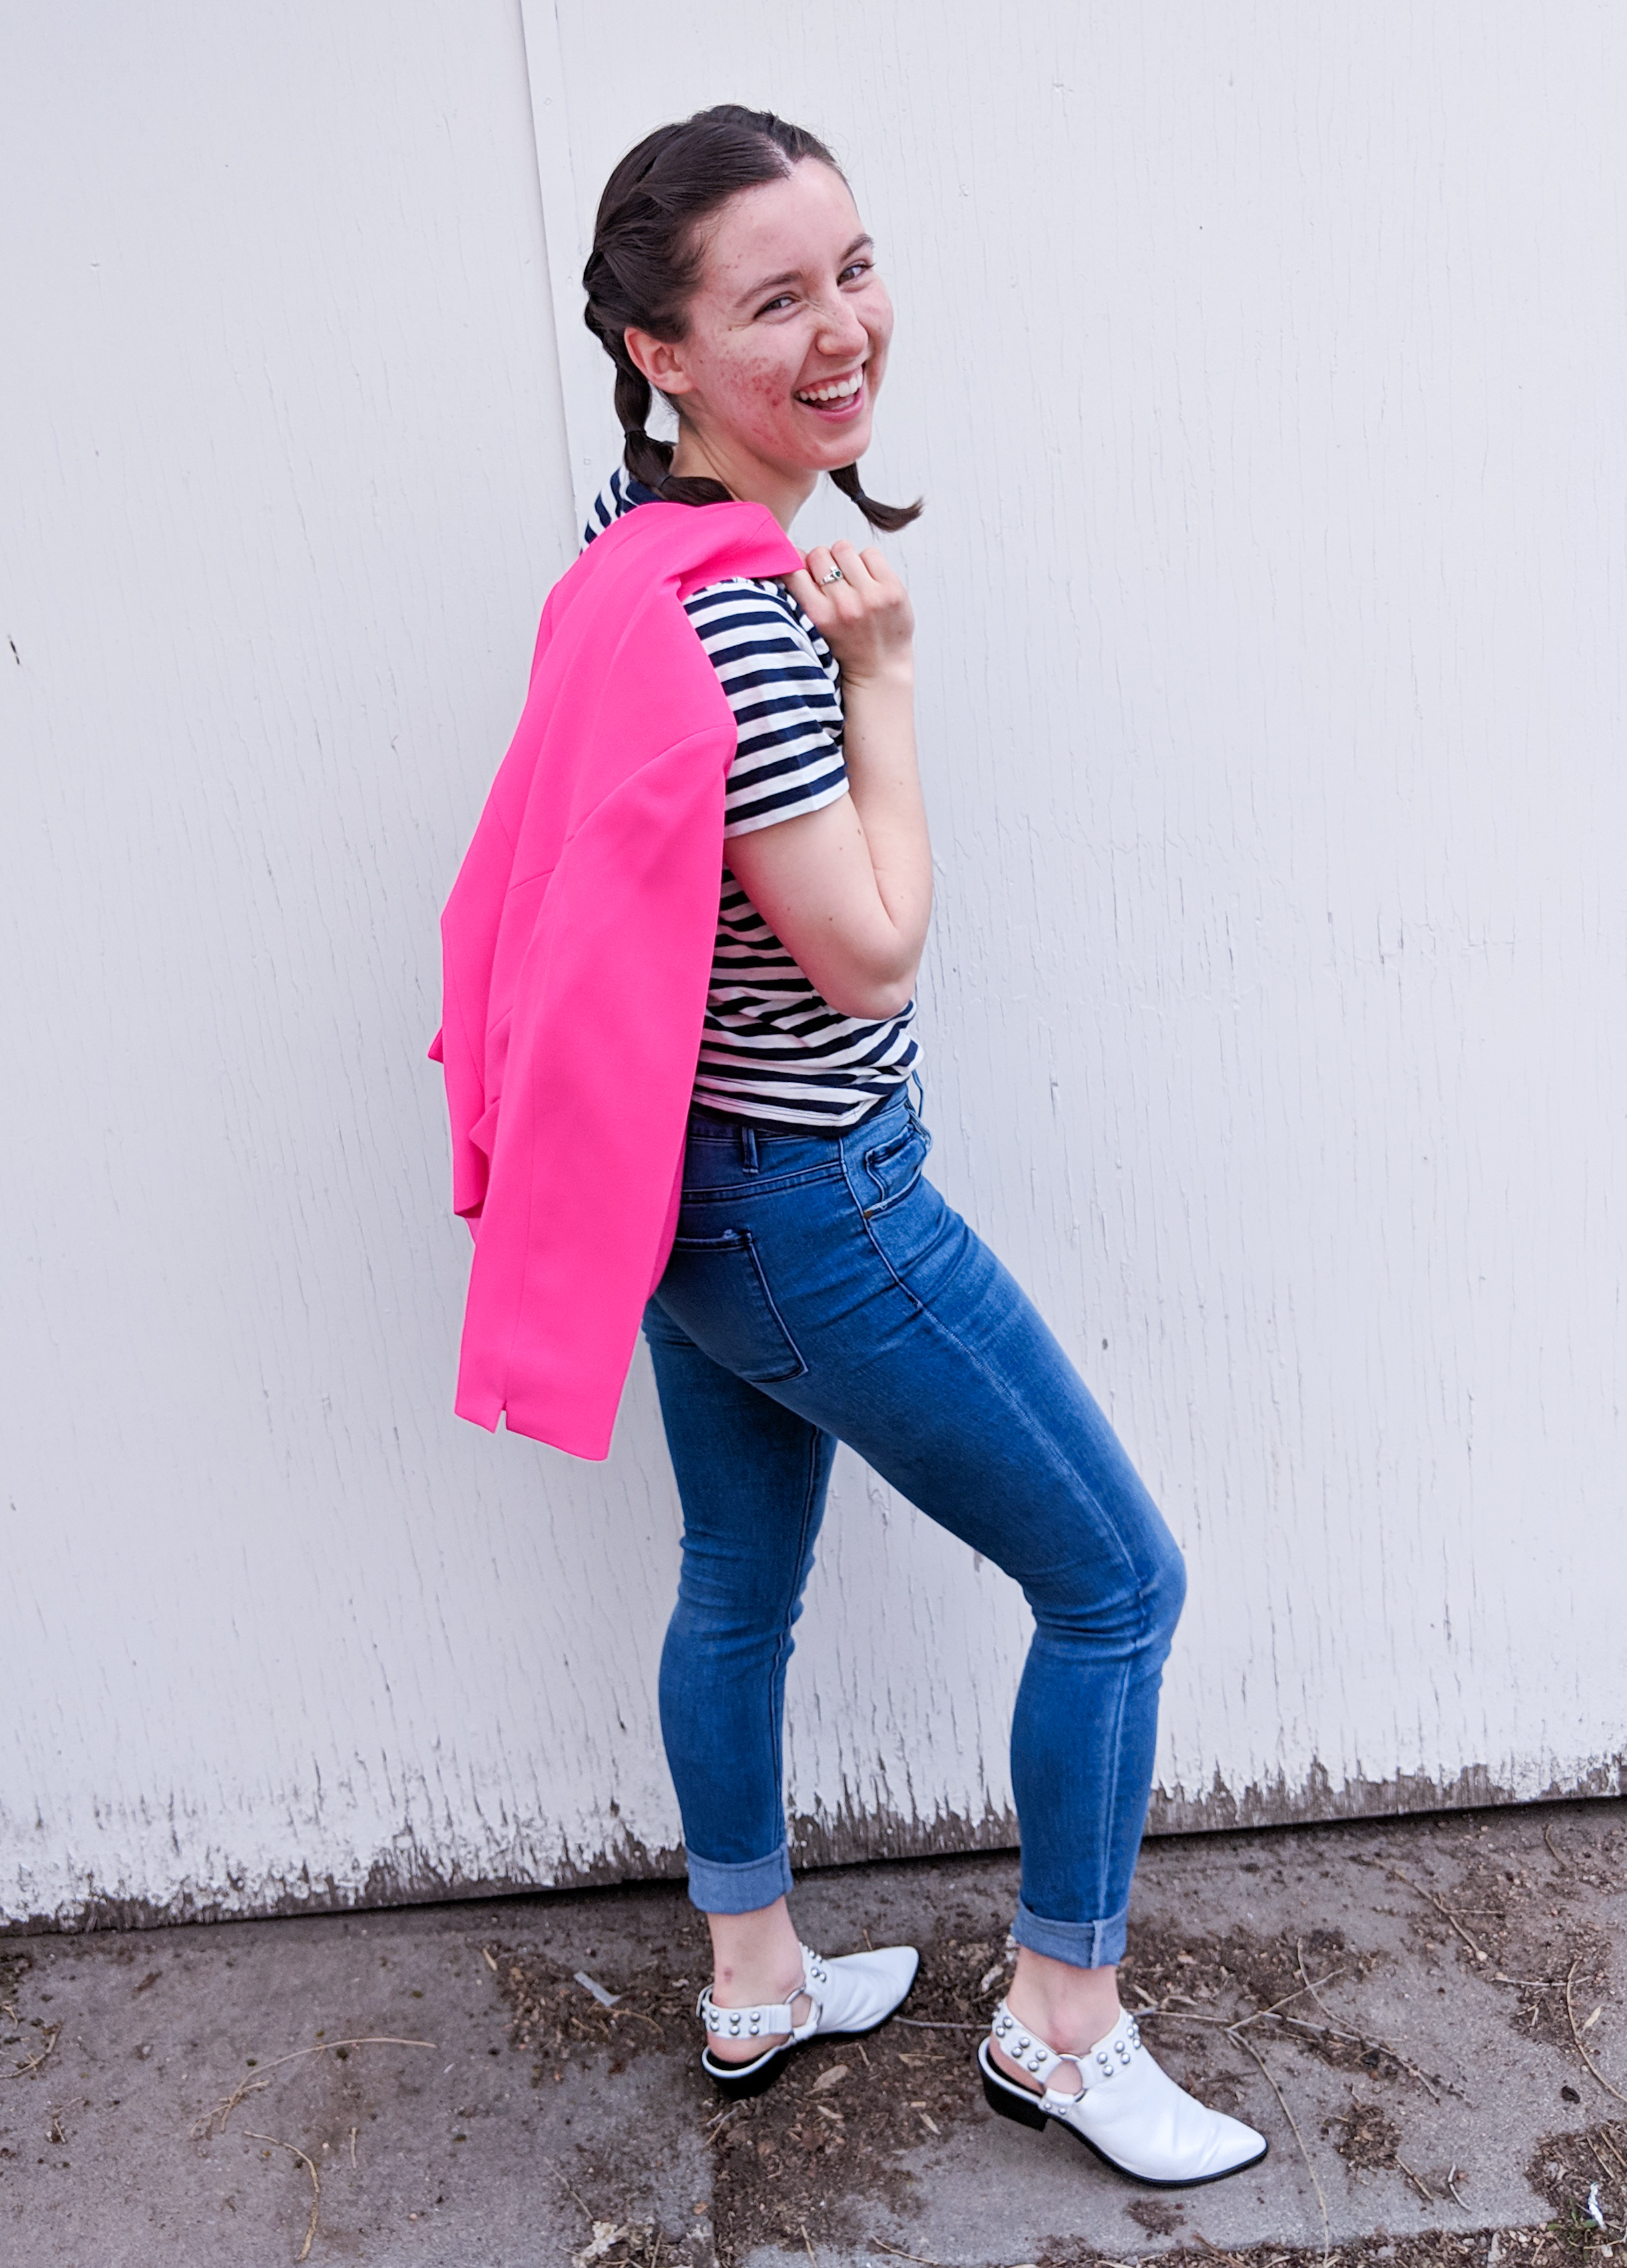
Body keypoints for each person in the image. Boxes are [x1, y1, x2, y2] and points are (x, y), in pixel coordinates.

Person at [569, 104, 1265, 2188]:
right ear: (660, 351)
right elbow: (866, 955)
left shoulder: (629, 548)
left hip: (675, 1195)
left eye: (854, 265)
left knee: (735, 1582)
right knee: (1120, 1584)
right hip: (809, 1207)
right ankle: (1065, 2024)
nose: (846, 325)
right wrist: (880, 671)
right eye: (776, 298)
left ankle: (755, 1976)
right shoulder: (758, 626)